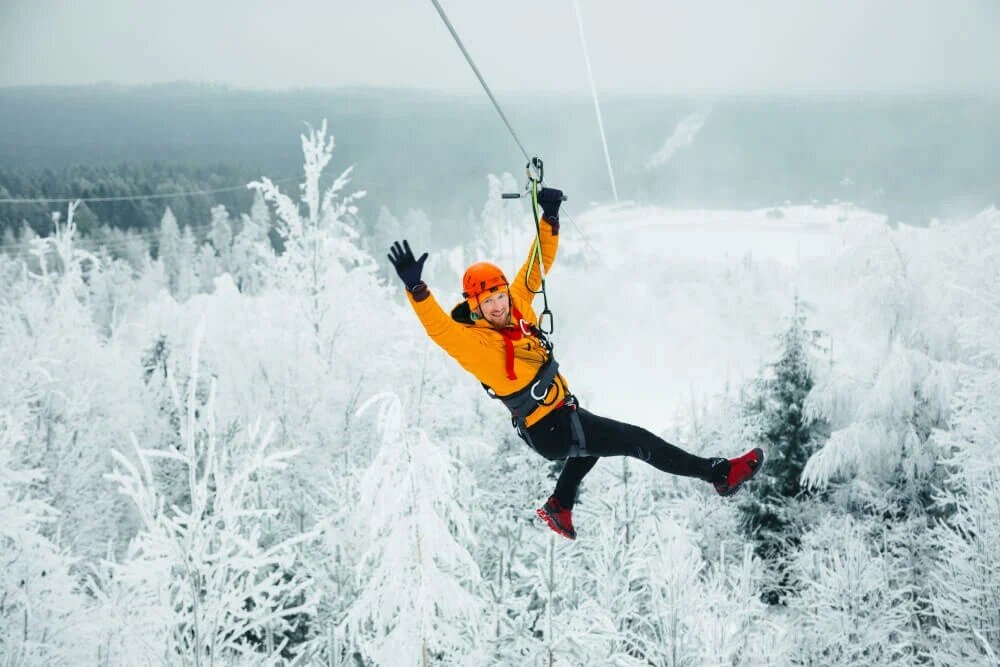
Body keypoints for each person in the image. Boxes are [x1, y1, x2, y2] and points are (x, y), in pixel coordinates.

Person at [387, 187, 763, 540]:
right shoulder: (478, 345)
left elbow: (536, 267)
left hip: (558, 414)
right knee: (636, 440)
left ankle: (560, 505)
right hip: (550, 429)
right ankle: (719, 474)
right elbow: (441, 332)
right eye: (488, 303)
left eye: (499, 296)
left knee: (597, 443)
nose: (498, 306)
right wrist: (417, 290)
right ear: (476, 307)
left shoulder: (517, 307)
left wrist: (549, 218)